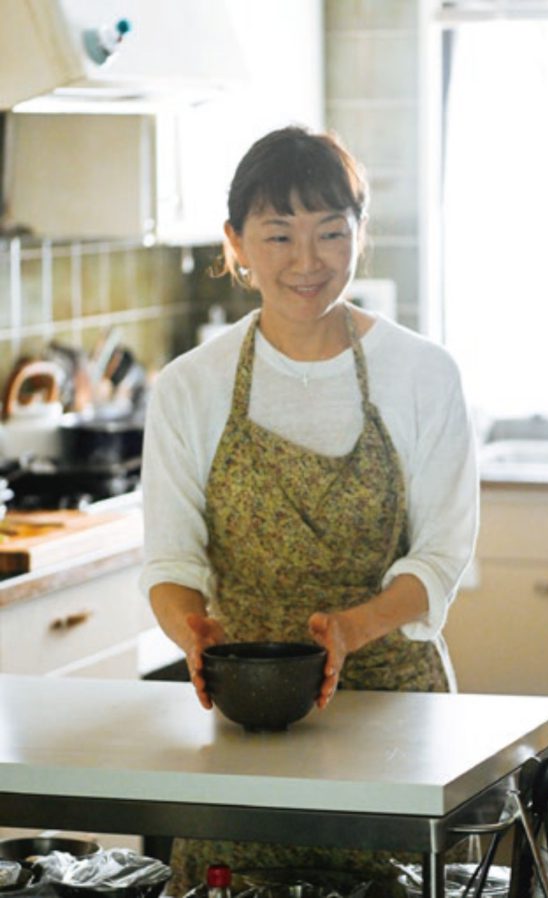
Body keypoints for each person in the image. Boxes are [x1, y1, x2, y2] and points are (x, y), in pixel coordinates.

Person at [139, 125, 479, 894]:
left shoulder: (423, 374)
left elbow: (441, 560)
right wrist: (191, 632)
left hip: (396, 717)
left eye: (332, 232)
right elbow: (169, 562)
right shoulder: (191, 386)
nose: (308, 261)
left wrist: (350, 630)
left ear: (361, 234)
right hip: (246, 724)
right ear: (236, 244)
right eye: (279, 234)